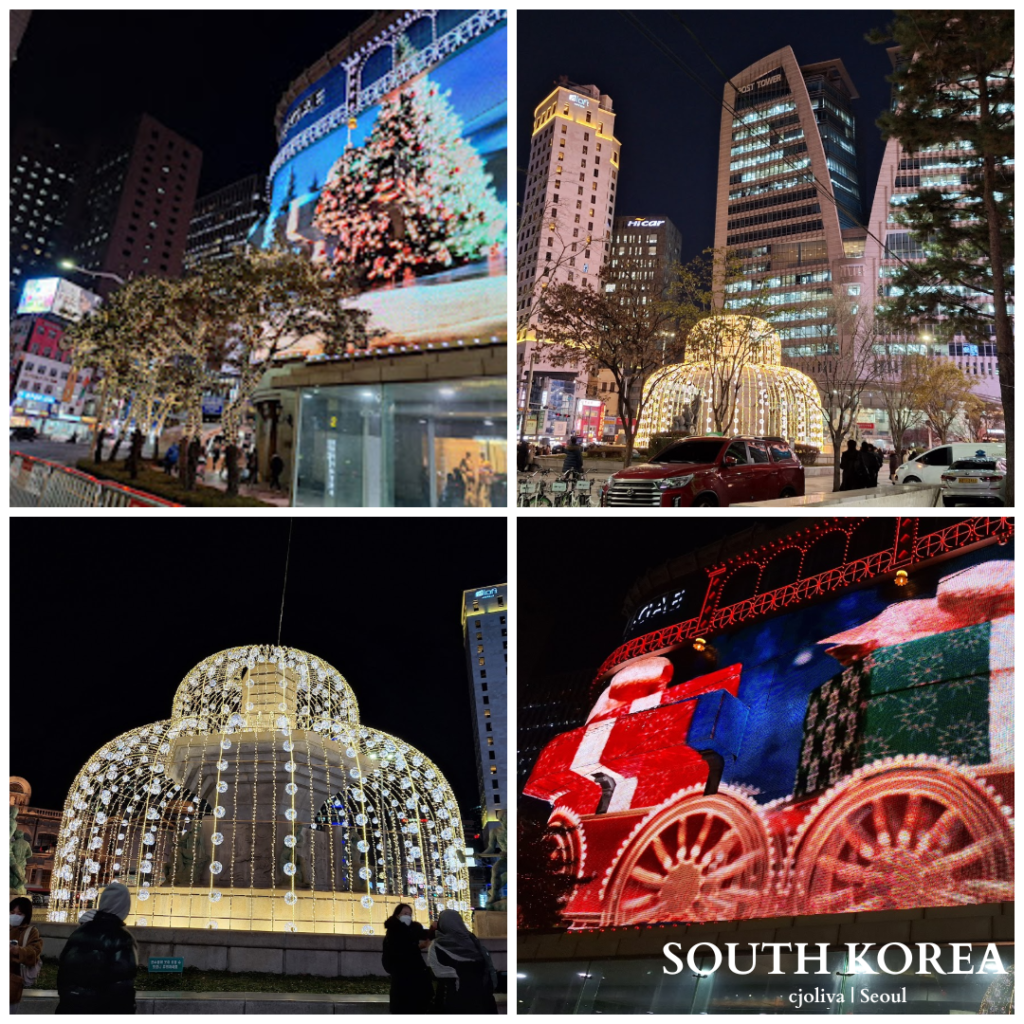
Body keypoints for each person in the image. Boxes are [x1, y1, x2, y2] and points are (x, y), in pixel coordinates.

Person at [56, 881, 137, 1015]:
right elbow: (122, 989)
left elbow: (63, 974)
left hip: (71, 1008)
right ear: (124, 908)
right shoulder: (120, 938)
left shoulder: (80, 932)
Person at [428, 910, 498, 1014]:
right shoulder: (473, 941)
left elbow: (437, 971)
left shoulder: (437, 945)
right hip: (480, 997)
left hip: (453, 998)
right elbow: (486, 966)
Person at [381, 904, 434, 1014]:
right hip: (402, 977)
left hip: (417, 976)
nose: (408, 916)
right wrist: (419, 947)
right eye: (405, 914)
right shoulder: (393, 931)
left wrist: (433, 929)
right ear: (397, 915)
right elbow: (400, 951)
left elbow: (425, 935)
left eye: (410, 914)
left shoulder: (413, 929)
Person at [10, 896, 42, 1014]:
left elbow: (34, 952)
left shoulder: (31, 932)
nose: (14, 916)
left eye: (19, 914)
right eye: (12, 912)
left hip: (12, 981)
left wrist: (19, 951)